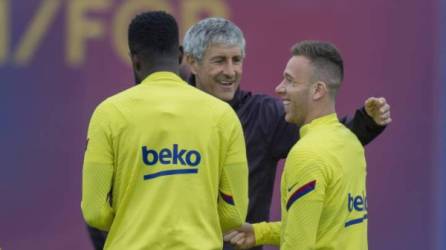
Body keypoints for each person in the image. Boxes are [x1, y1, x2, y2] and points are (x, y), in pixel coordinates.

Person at [182, 17, 390, 250]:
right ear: (191, 62)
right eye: (220, 61)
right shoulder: (169, 114)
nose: (230, 71)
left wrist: (367, 123)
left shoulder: (265, 115)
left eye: (237, 60)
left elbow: (328, 139)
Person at [81, 11, 248, 250]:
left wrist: (130, 223)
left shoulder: (108, 114)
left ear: (135, 60)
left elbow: (94, 211)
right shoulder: (221, 115)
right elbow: (234, 213)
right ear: (180, 56)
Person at [225, 40, 369, 249]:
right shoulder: (350, 142)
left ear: (318, 90)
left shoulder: (305, 153)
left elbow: (297, 243)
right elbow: (324, 225)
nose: (279, 88)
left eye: (290, 81)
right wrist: (260, 232)